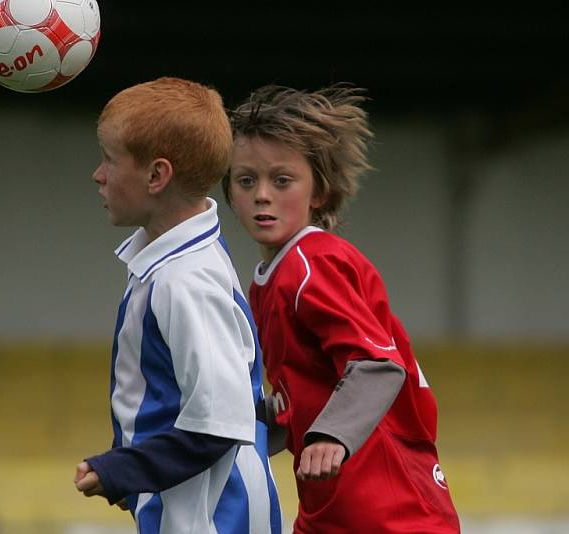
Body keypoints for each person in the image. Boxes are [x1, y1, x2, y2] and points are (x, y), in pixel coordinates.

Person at [223, 84, 461, 533]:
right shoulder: (270, 279)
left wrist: (331, 434)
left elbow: (375, 364)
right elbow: (305, 391)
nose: (262, 195)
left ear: (319, 193)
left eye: (282, 179)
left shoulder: (313, 262)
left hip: (392, 508)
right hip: (332, 505)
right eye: (246, 180)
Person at [74, 76, 282, 534]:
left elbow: (218, 424)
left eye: (110, 159)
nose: (99, 174)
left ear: (156, 176)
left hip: (216, 522)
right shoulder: (175, 260)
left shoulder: (185, 280)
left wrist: (120, 470)